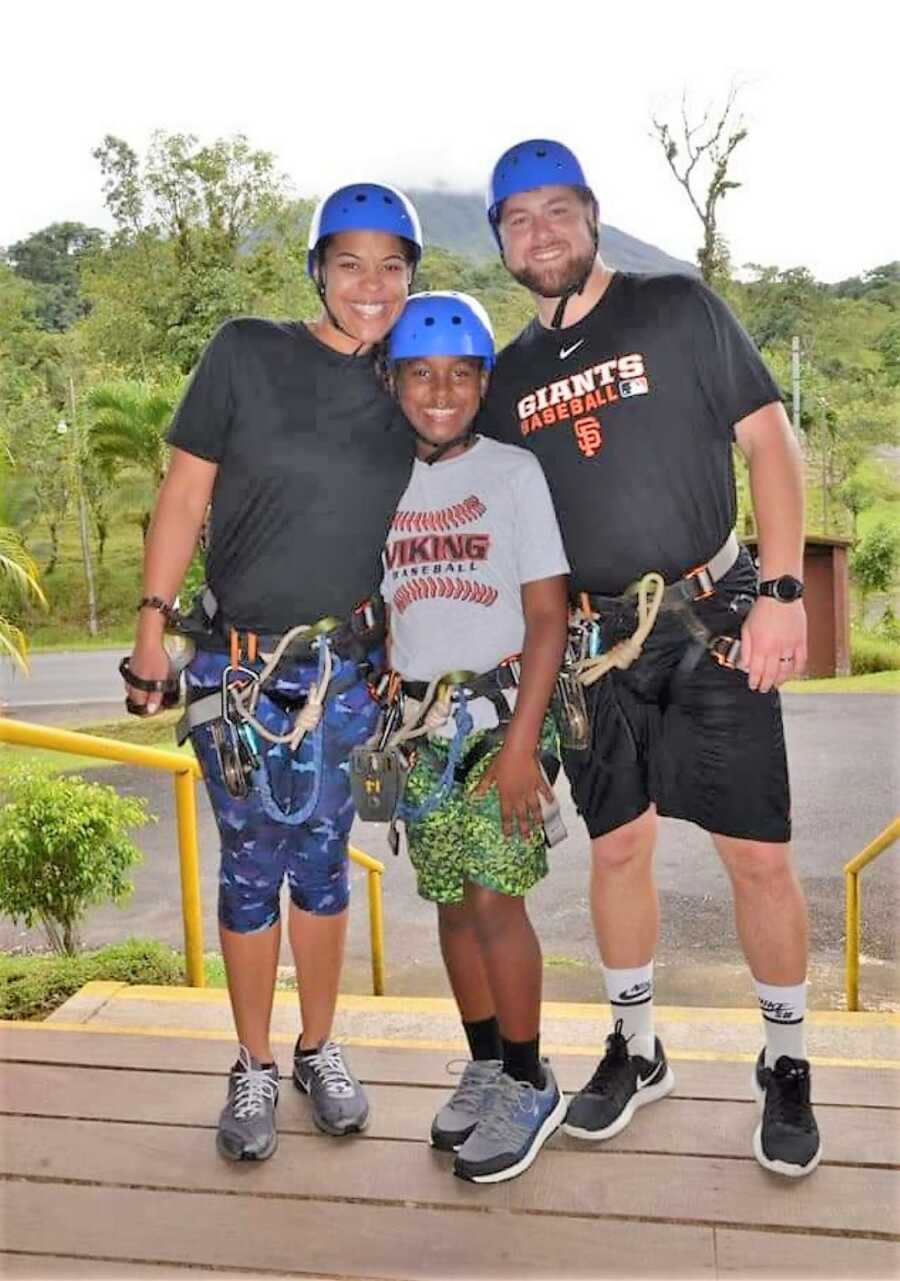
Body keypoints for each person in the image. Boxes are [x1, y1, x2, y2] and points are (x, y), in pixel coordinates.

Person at [478, 139, 821, 1178]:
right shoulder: (507, 377)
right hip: (591, 646)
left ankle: (787, 1062)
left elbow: (770, 441)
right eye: (518, 220)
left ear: (590, 215)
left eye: (557, 211)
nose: (541, 233)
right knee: (618, 848)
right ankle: (637, 1047)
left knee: (755, 855)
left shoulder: (676, 307)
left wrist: (783, 590)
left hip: (711, 611)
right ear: (501, 241)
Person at [120, 183, 422, 1163]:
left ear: (411, 280)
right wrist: (150, 631)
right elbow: (183, 496)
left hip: (350, 670)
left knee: (323, 864)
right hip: (237, 666)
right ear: (319, 272)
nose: (371, 285)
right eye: (350, 263)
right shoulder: (246, 349)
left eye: (392, 266)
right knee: (251, 867)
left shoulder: (415, 381)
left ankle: (319, 1048)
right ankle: (252, 1063)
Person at [377, 291, 570, 1183]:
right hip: (421, 728)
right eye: (421, 373)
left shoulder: (511, 474)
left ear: (483, 383)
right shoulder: (381, 481)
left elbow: (545, 617)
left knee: (496, 897)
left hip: (501, 719)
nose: (440, 390)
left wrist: (526, 744)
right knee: (452, 901)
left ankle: (532, 1081)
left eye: (460, 374)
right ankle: (489, 1060)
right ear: (394, 381)